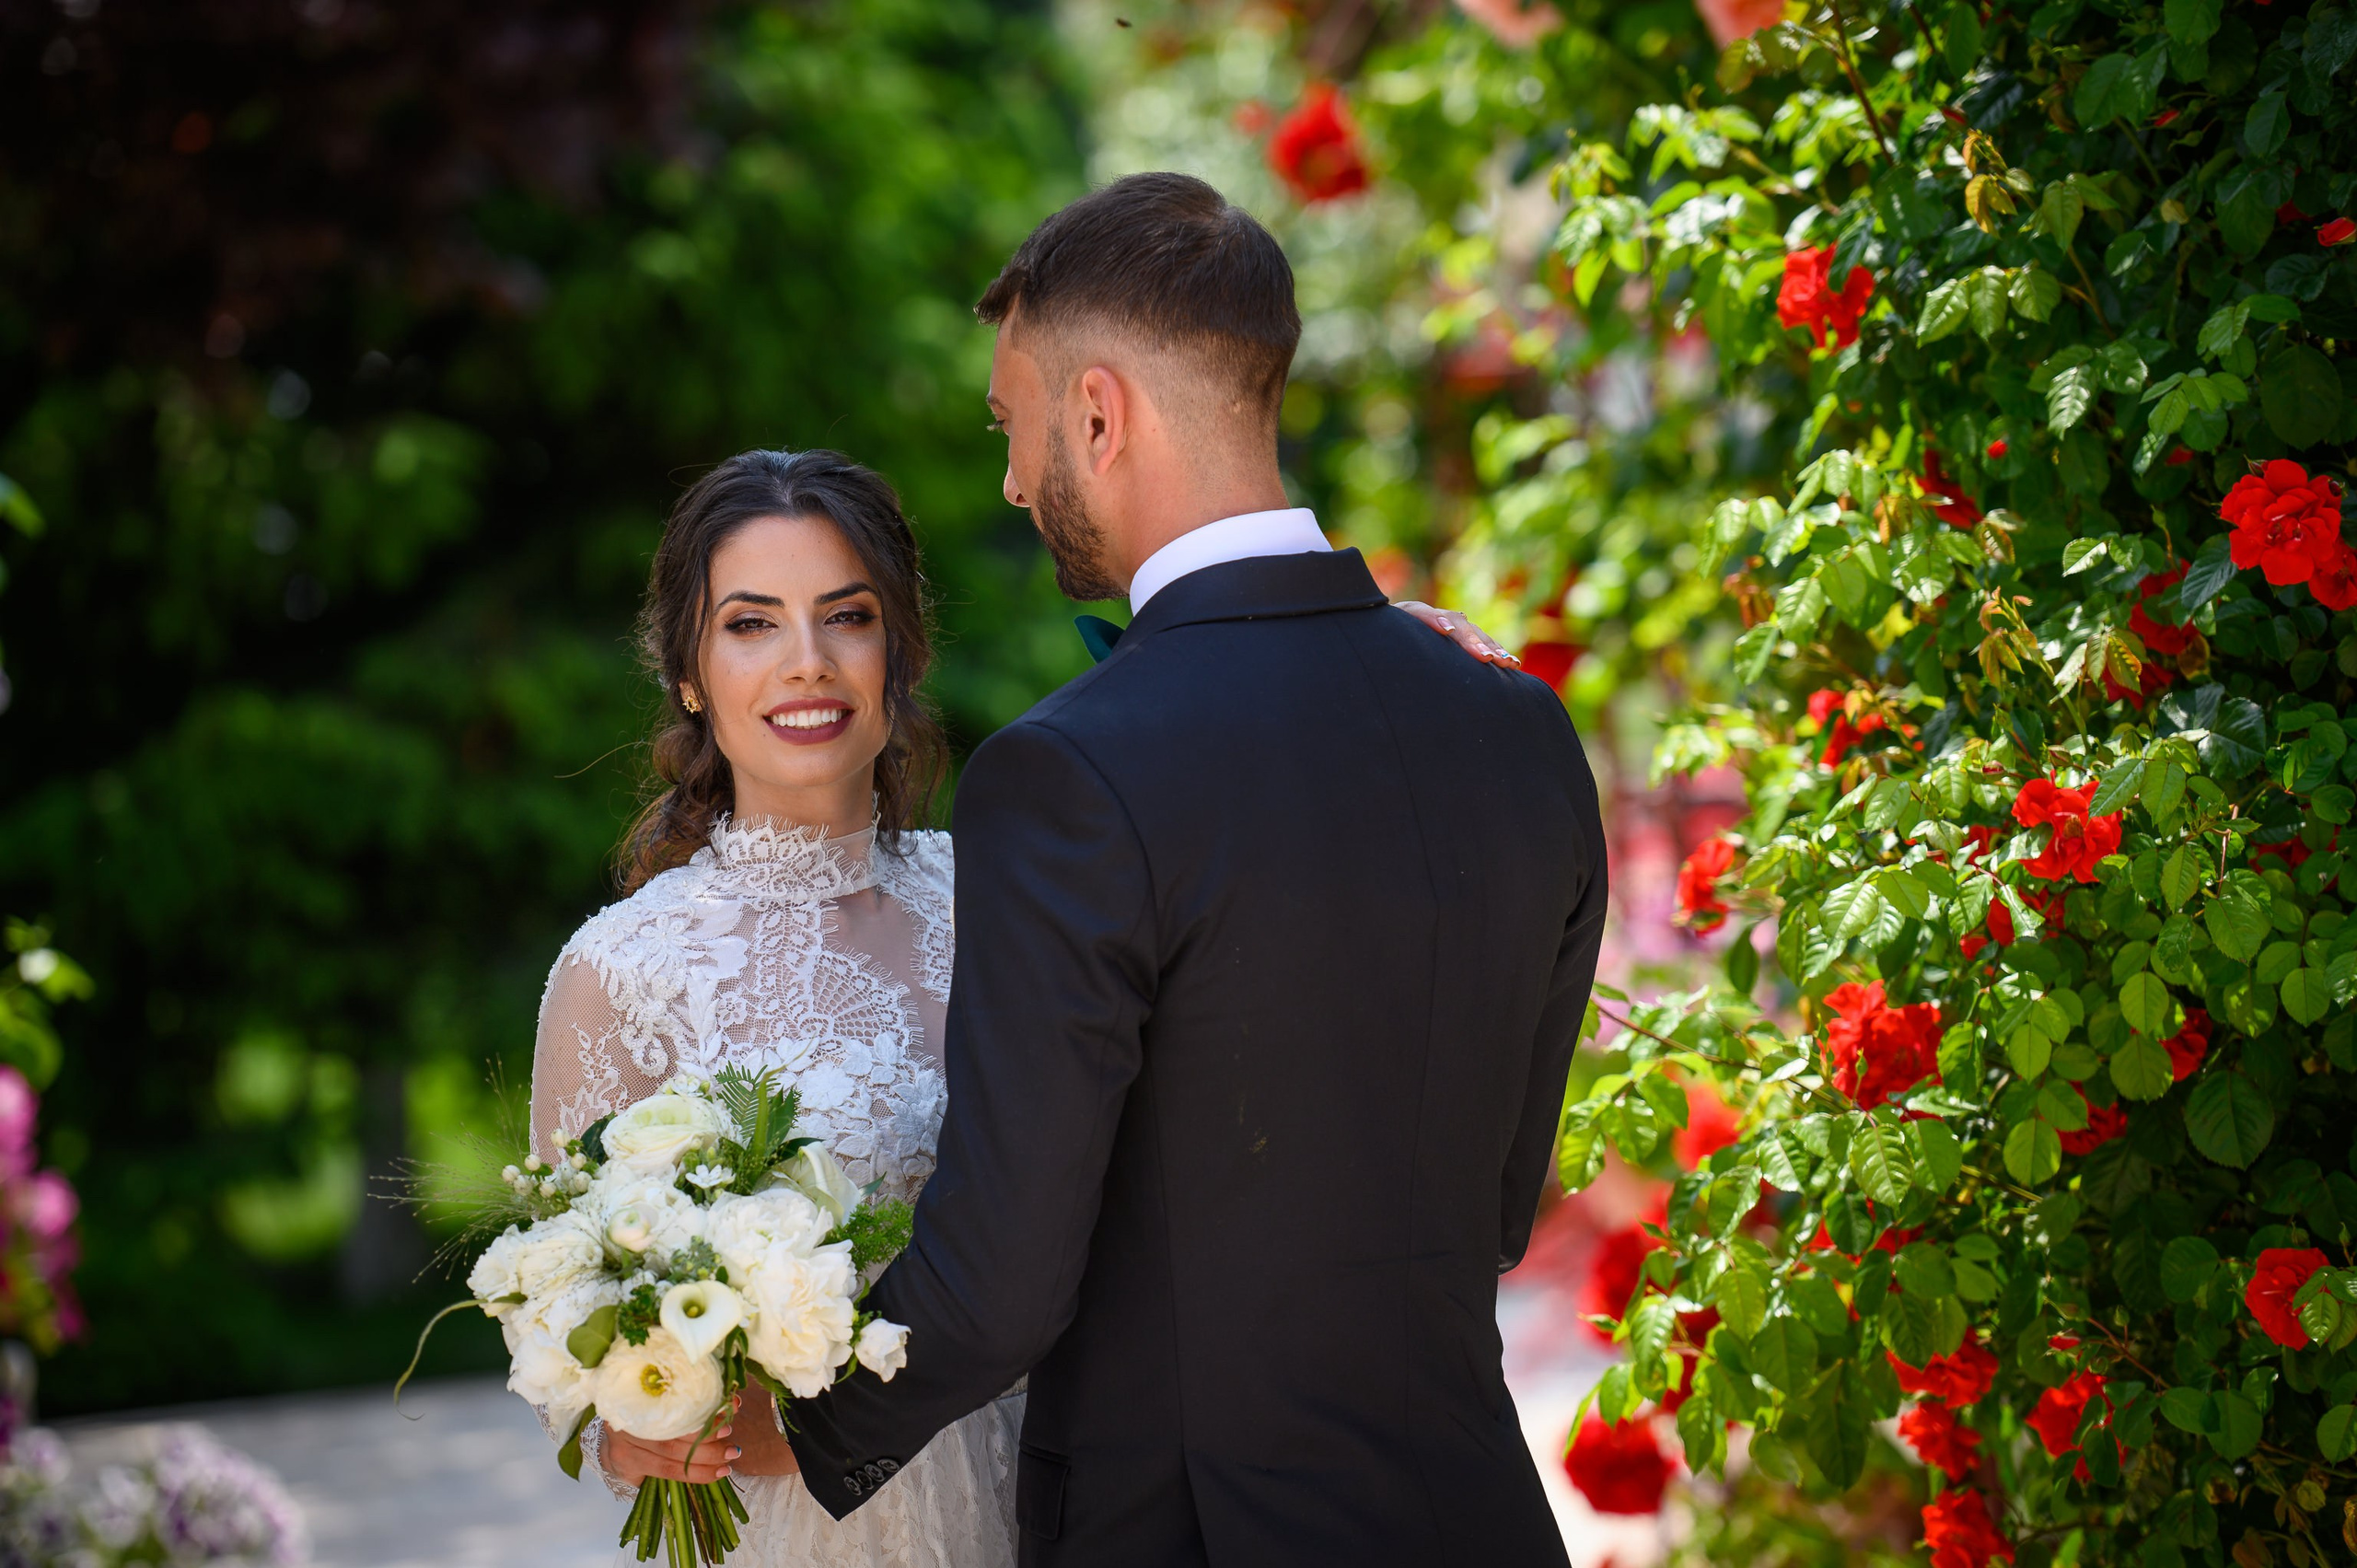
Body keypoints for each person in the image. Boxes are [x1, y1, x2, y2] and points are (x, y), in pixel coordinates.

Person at [773, 173, 1609, 1566]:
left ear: (1098, 413)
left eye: (1014, 427)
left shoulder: (1071, 773)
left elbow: (1000, 1284)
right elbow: (1501, 1200)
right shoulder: (1519, 724)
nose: (1010, 479)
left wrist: (793, 1423)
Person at [526, 460, 1515, 1552]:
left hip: (1070, 1500)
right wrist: (636, 1428)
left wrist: (1361, 661)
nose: (806, 663)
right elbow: (576, 1333)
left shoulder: (1015, 885)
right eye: (751, 625)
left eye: (846, 616)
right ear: (689, 674)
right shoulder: (619, 972)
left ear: (901, 650)